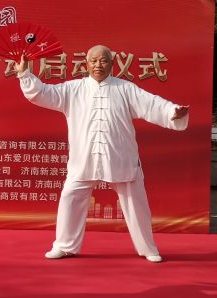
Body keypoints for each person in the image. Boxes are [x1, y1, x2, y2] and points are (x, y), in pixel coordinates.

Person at [17, 45, 189, 262]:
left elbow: (152, 104)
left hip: (120, 156)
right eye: (94, 61)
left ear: (112, 63)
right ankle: (65, 246)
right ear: (86, 64)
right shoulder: (73, 89)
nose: (98, 65)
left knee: (136, 204)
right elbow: (42, 93)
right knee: (70, 198)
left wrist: (173, 111)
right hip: (84, 157)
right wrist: (24, 74)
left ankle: (148, 248)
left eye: (104, 60)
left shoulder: (125, 89)